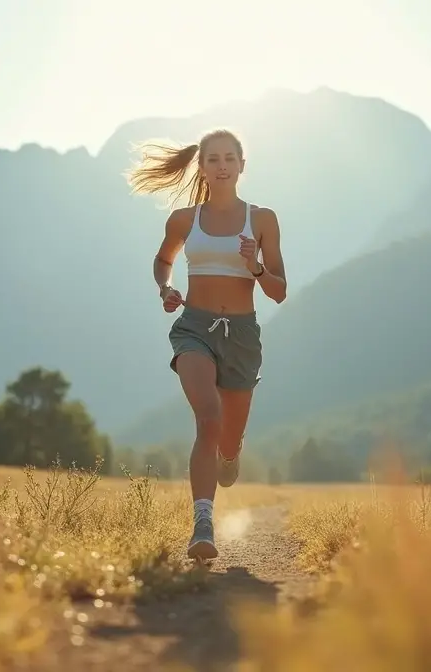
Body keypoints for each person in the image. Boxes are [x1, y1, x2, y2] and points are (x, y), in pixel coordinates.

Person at [126, 128, 287, 561]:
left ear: (241, 165)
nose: (221, 166)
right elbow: (164, 261)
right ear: (202, 166)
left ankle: (230, 456)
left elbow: (279, 290)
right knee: (208, 418)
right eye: (212, 159)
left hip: (242, 335)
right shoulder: (184, 220)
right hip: (194, 327)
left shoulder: (264, 220)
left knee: (228, 440)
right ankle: (202, 524)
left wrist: (254, 265)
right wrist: (166, 289)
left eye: (229, 158)